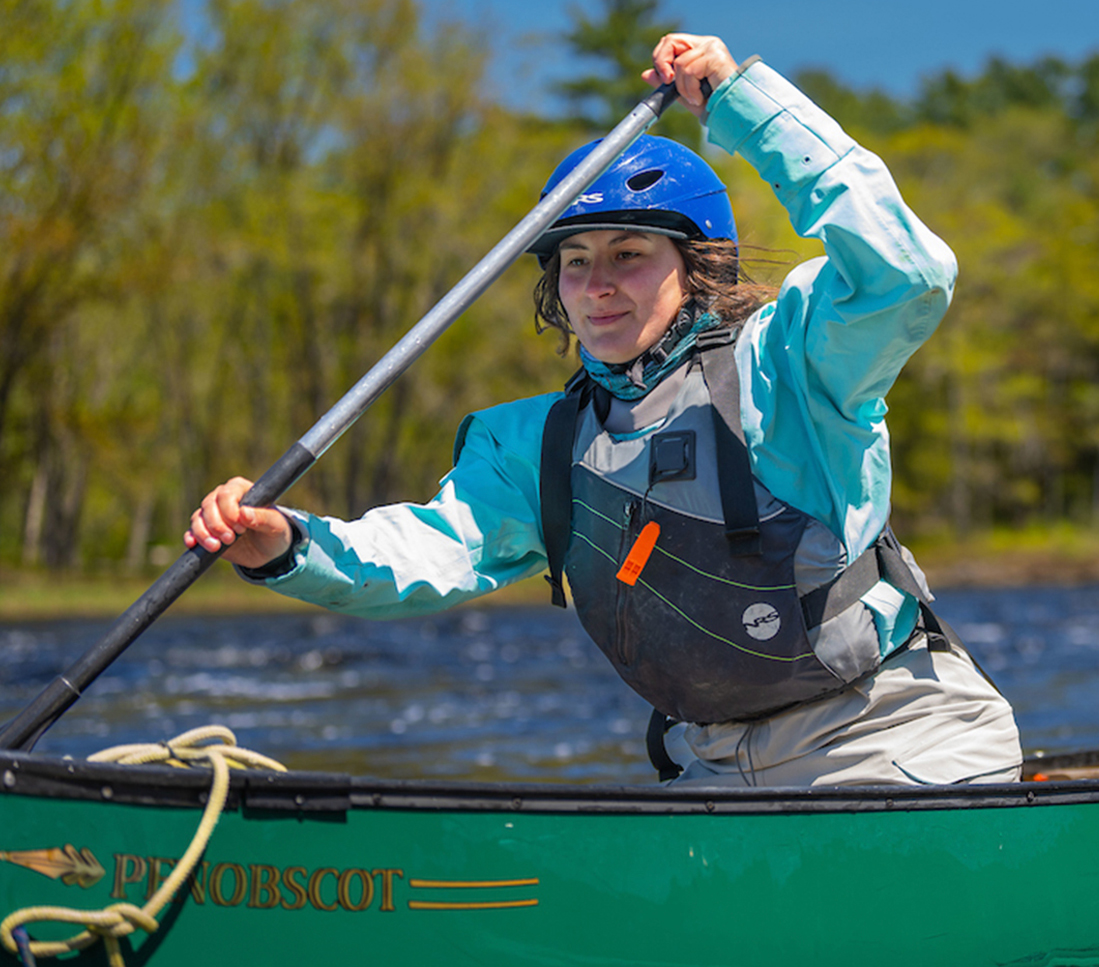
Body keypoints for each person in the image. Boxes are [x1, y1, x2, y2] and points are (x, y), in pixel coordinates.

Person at [185, 34, 1022, 787]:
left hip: (895, 737)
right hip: (716, 766)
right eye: (575, 261)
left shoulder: (792, 361)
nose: (598, 284)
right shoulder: (537, 446)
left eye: (629, 254)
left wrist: (743, 104)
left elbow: (906, 275)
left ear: (698, 266)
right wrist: (287, 544)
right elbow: (419, 557)